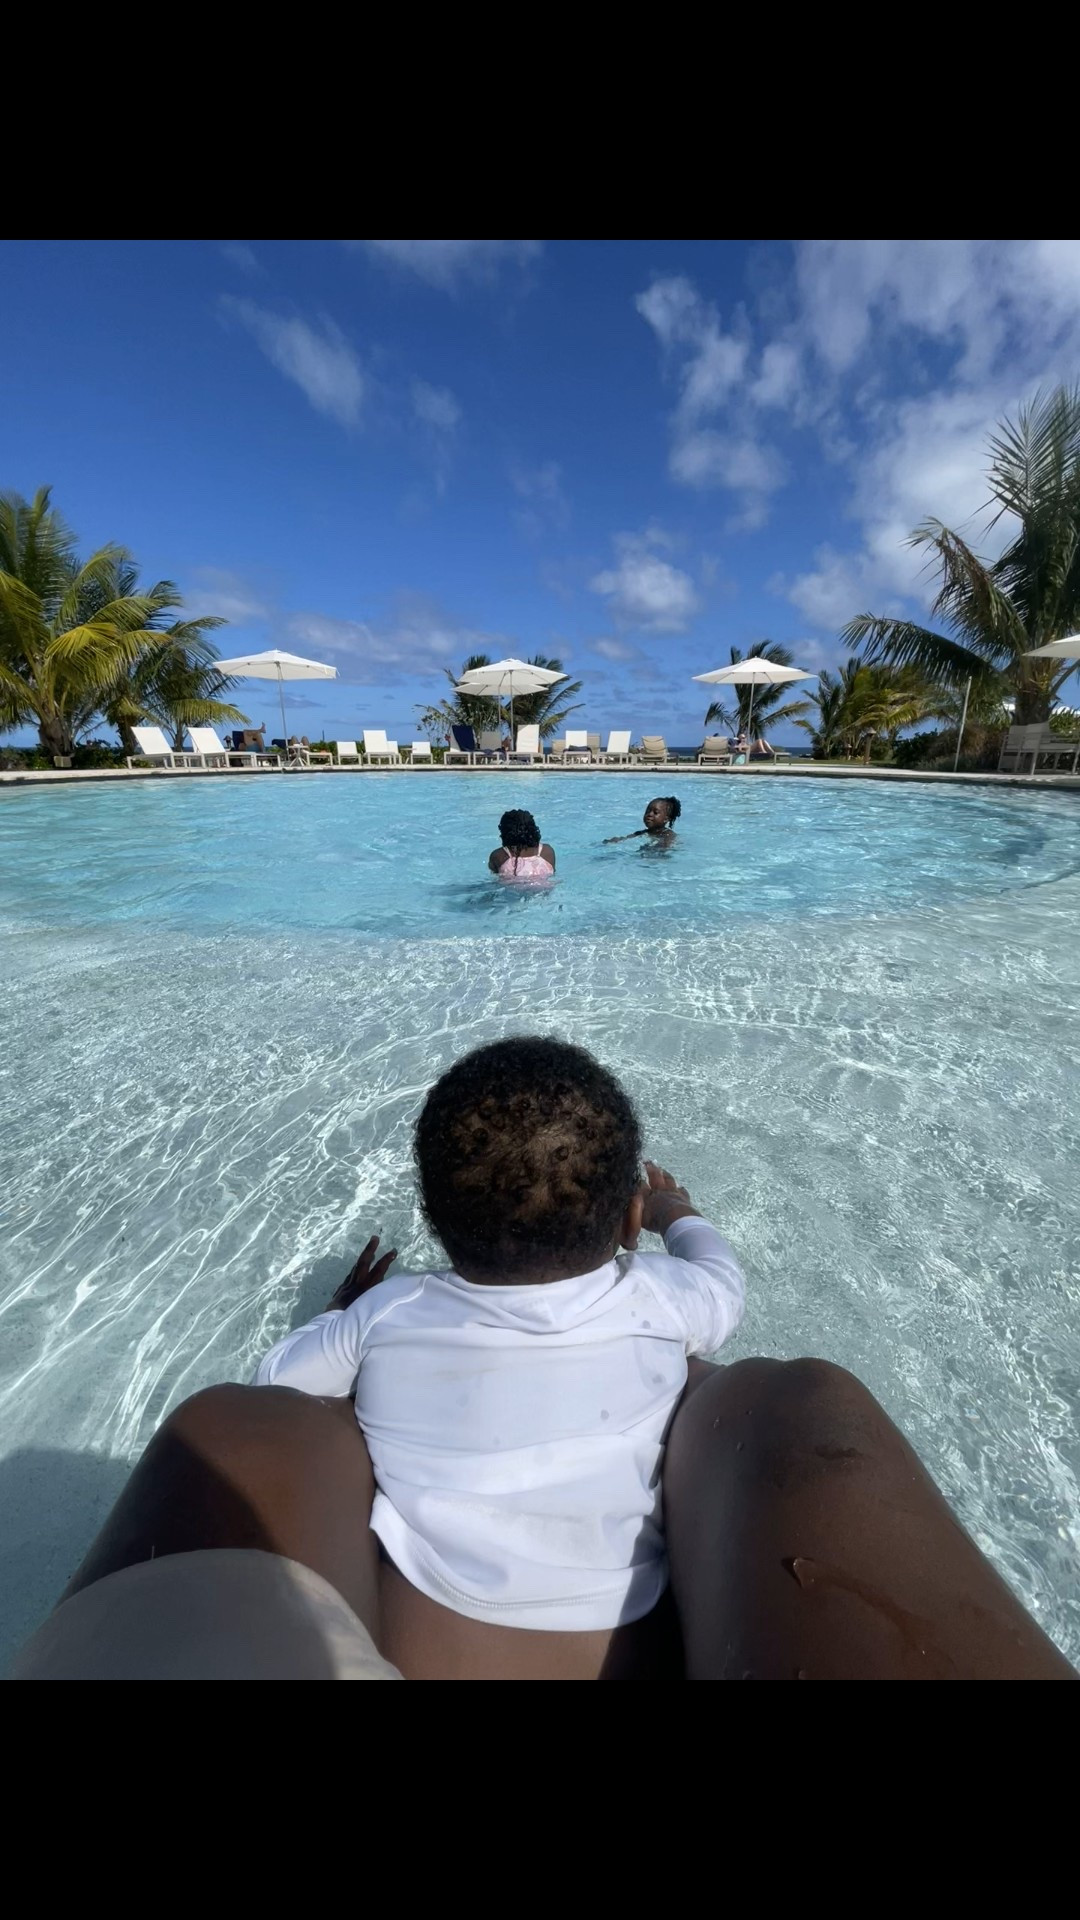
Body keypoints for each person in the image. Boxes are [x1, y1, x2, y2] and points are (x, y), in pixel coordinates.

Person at [253, 1038, 746, 1667]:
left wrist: (338, 1310)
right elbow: (723, 1283)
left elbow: (277, 1382)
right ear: (630, 1221)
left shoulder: (390, 1311)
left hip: (422, 1632)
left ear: (434, 1220)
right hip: (632, 1628)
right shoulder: (658, 1295)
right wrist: (676, 1212)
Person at [488, 808, 555, 881]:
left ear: (504, 832)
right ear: (533, 829)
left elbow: (494, 877)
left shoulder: (498, 855)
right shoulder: (547, 851)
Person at [603, 795, 681, 846]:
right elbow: (626, 838)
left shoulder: (668, 835)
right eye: (648, 811)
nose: (650, 814)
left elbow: (665, 847)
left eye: (655, 812)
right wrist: (615, 840)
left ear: (666, 819)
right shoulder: (643, 833)